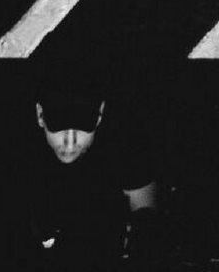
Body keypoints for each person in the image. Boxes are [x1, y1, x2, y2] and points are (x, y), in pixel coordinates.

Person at [24, 75, 162, 271]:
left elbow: (146, 217)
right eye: (58, 127)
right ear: (40, 115)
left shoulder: (126, 142)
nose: (70, 142)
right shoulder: (16, 148)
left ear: (100, 115)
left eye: (82, 127)